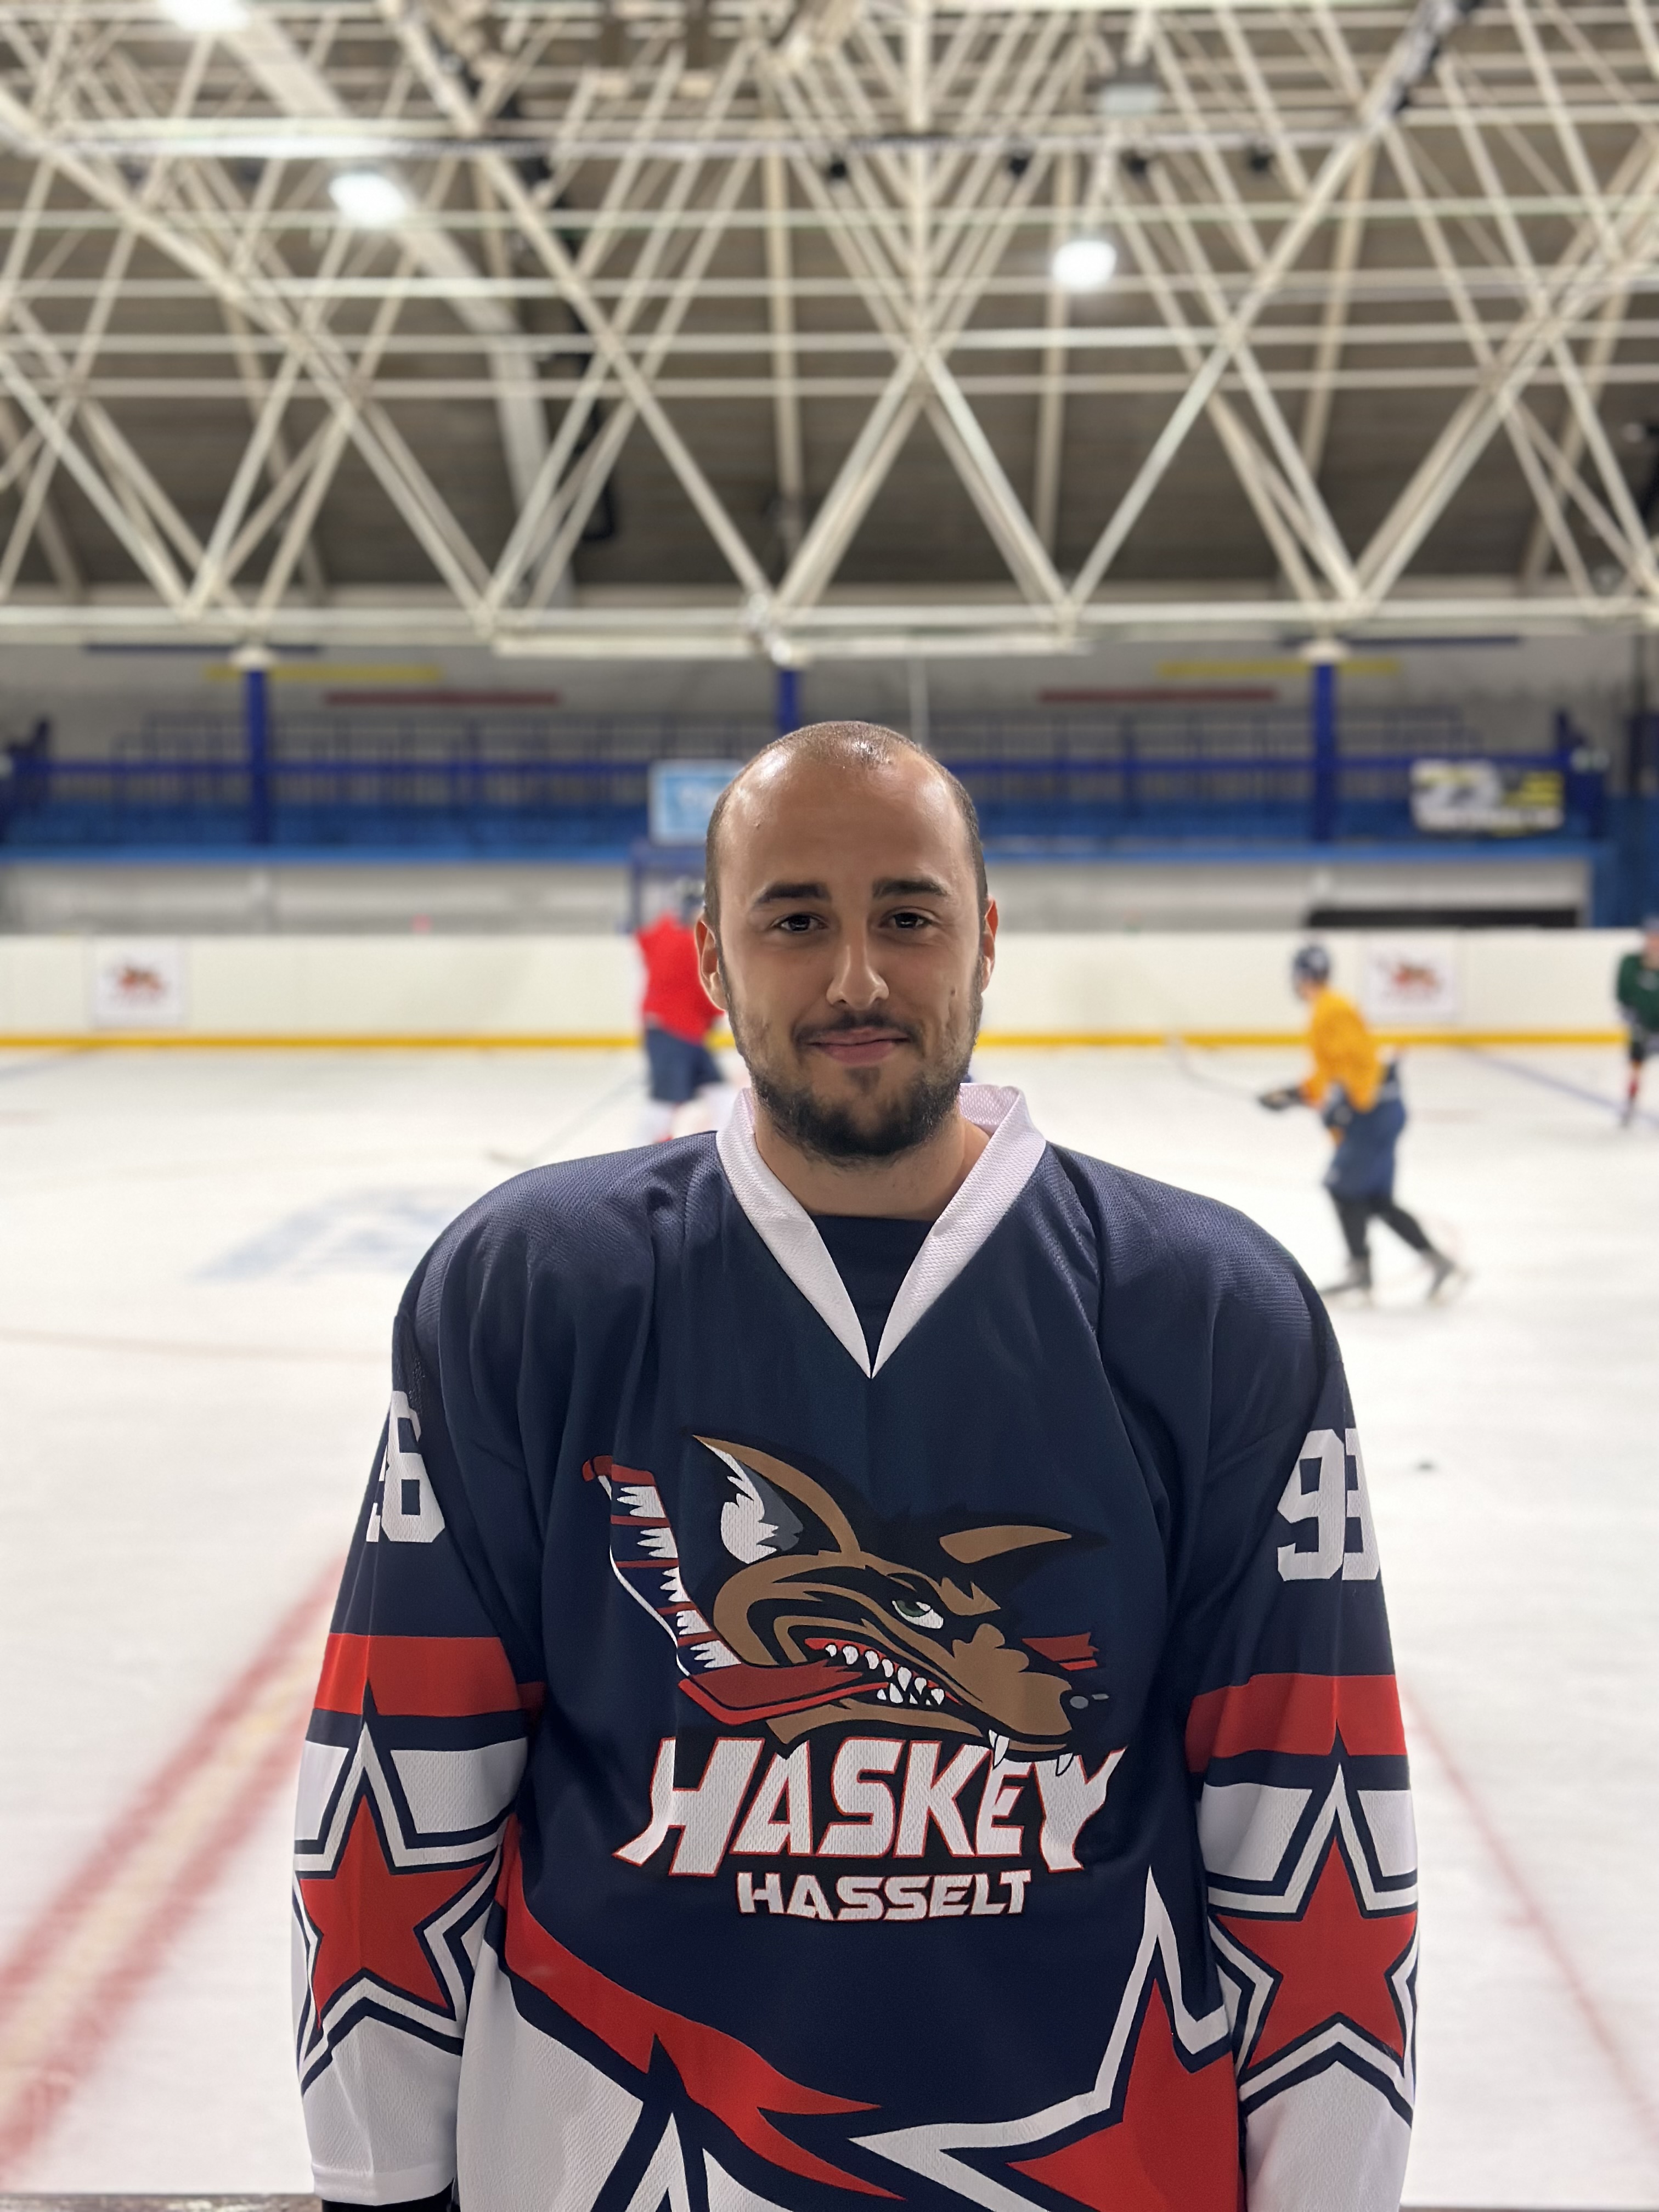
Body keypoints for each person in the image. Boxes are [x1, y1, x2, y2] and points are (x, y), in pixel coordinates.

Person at [294, 724, 1418, 2212]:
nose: (857, 979)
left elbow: (1315, 1832)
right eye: (794, 920)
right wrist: (379, 2188)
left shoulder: (1207, 1312)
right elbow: (394, 1800)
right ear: (712, 955)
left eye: (907, 915)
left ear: (986, 939)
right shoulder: (531, 1292)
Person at [1260, 944, 1458, 1301]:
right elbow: (1334, 1071)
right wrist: (1292, 1093)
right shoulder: (1329, 1007)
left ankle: (1360, 1271)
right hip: (1378, 1112)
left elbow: (1357, 1067)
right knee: (1376, 1198)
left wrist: (1344, 1104)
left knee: (1342, 1188)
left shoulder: (1330, 1010)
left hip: (1373, 1116)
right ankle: (1437, 1262)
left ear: (1303, 976)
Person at [636, 883, 724, 1140]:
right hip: (676, 1032)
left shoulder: (663, 933)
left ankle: (726, 1148)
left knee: (718, 1092)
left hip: (674, 1031)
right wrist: (715, 1014)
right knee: (664, 1103)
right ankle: (641, 1154)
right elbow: (707, 994)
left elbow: (645, 939)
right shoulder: (691, 947)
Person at [1615, 913, 1659, 1125]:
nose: (1654, 942)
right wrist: (1633, 1019)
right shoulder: (1631, 963)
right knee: (1636, 1064)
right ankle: (1630, 1103)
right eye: (1651, 937)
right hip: (1642, 1026)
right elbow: (1623, 995)